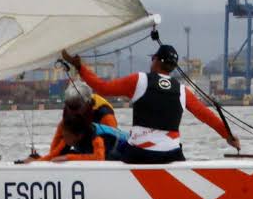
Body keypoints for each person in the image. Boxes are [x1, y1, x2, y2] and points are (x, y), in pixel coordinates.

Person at [61, 41, 238, 164]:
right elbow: (207, 116)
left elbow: (103, 88)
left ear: (155, 60)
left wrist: (80, 67)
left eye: (152, 57)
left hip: (139, 154)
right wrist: (228, 136)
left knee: (113, 149)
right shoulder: (183, 91)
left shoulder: (139, 80)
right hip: (172, 155)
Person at [25, 80, 123, 163]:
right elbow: (56, 152)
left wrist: (69, 158)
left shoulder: (105, 116)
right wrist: (40, 161)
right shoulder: (69, 113)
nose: (72, 111)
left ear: (87, 104)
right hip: (86, 146)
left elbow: (107, 153)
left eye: (75, 107)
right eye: (69, 106)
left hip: (109, 153)